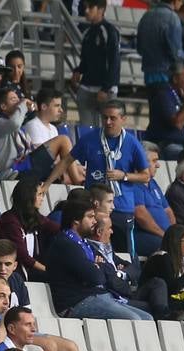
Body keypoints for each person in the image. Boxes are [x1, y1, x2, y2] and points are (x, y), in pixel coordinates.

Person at [44, 195, 153, 321]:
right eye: (90, 217)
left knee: (147, 318)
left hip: (98, 296)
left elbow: (100, 273)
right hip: (76, 302)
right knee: (134, 319)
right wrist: (98, 267)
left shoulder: (83, 243)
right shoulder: (66, 244)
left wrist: (97, 266)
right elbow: (97, 277)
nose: (94, 221)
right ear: (76, 220)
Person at [71, 101, 150, 258]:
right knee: (93, 249)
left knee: (125, 254)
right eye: (105, 117)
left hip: (122, 207)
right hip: (94, 207)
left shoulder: (132, 143)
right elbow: (68, 159)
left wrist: (124, 176)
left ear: (123, 119)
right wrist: (47, 183)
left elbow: (145, 176)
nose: (108, 122)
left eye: (112, 118)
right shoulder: (90, 139)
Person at [0, 174, 57, 279]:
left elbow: (56, 229)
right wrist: (48, 271)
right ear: (28, 197)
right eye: (39, 194)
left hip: (30, 270)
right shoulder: (10, 221)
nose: (42, 199)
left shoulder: (35, 217)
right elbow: (23, 256)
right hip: (16, 273)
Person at [72, 0, 121, 127]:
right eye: (85, 7)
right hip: (87, 86)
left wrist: (106, 88)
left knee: (109, 128)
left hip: (105, 89)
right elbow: (86, 60)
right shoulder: (87, 32)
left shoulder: (109, 31)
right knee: (87, 128)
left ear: (101, 9)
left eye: (90, 7)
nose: (86, 10)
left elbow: (114, 62)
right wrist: (78, 70)